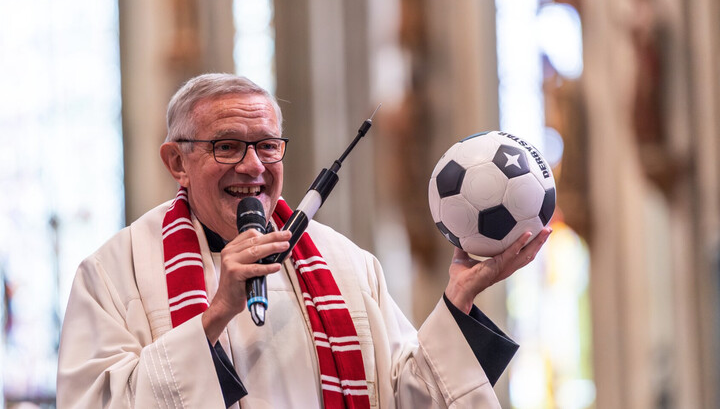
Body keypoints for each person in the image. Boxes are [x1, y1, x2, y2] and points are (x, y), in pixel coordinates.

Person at [57, 73, 551, 408]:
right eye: (227, 146)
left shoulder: (347, 264)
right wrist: (214, 317)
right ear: (177, 162)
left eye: (268, 146)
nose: (253, 167)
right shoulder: (113, 272)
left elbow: (408, 396)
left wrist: (460, 297)